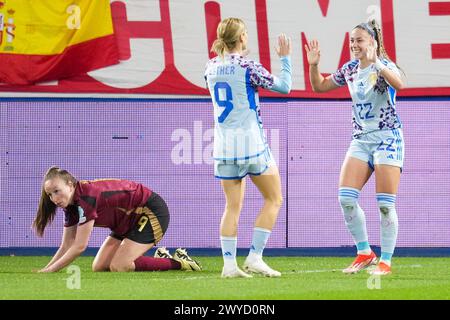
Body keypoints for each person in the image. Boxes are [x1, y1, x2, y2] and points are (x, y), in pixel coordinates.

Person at [304, 19, 405, 275]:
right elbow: (319, 86)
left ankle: (386, 261)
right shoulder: (350, 69)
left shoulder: (384, 66)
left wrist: (378, 63)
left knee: (385, 205)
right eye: (352, 41)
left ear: (372, 42)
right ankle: (364, 252)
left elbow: (399, 84)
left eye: (359, 40)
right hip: (361, 140)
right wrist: (313, 66)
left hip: (387, 138)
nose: (354, 45)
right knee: (346, 198)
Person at [204, 18, 292, 278]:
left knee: (232, 207)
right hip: (251, 144)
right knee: (274, 199)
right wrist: (285, 58)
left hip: (223, 146)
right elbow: (284, 86)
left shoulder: (210, 66)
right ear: (242, 37)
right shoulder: (248, 67)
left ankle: (229, 265)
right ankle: (254, 257)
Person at [33, 166, 201, 273]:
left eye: (56, 191)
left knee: (120, 265)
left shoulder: (86, 199)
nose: (54, 198)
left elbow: (79, 246)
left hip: (150, 212)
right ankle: (160, 257)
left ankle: (179, 263)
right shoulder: (70, 205)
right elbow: (66, 244)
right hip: (125, 221)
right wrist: (47, 268)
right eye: (50, 194)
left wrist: (50, 271)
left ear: (70, 185)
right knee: (99, 267)